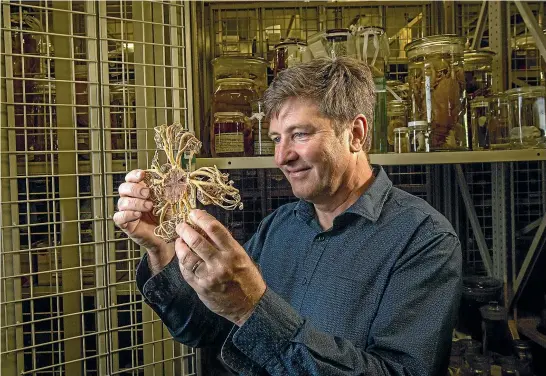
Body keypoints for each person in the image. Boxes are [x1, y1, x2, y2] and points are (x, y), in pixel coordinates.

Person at [114, 56, 462, 375]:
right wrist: (162, 249)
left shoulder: (424, 240)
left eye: (300, 134)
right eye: (277, 139)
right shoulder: (280, 226)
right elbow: (207, 329)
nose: (281, 157)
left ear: (355, 134)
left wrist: (253, 308)